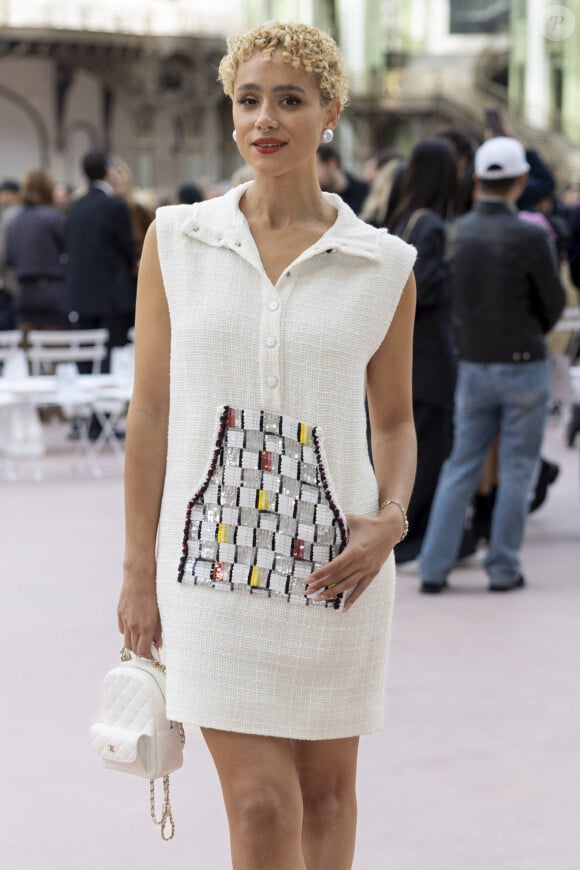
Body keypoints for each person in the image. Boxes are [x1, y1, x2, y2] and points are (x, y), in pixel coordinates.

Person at [116, 22, 417, 869]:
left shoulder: (384, 264)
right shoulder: (176, 240)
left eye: (290, 99)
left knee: (326, 797)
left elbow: (393, 422)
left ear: (330, 115)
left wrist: (388, 520)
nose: (265, 118)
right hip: (206, 567)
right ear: (231, 112)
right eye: (249, 100)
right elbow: (150, 409)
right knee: (258, 806)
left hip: (337, 566)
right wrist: (139, 568)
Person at [419, 137, 565, 594]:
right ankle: (503, 567)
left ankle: (434, 568)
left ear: (478, 179)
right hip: (523, 362)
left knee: (460, 464)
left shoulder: (456, 232)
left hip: (473, 363)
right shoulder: (531, 235)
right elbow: (553, 303)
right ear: (521, 180)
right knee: (518, 469)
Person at [386, 139, 459, 564]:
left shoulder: (406, 218)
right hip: (430, 356)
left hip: (413, 356)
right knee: (429, 452)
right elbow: (424, 285)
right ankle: (410, 539)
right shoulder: (430, 224)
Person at [64, 149, 135, 363]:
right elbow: (127, 249)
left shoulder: (75, 206)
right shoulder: (115, 205)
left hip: (82, 292)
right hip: (112, 294)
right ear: (107, 171)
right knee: (112, 356)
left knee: (86, 356)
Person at [4, 170, 68, 334]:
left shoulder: (13, 221)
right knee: (55, 348)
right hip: (53, 291)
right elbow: (67, 251)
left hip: (24, 292)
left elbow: (9, 258)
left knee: (30, 350)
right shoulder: (55, 217)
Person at [316, 142, 370, 215]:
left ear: (332, 164)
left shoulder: (367, 192)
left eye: (316, 170)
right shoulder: (317, 200)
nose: (313, 177)